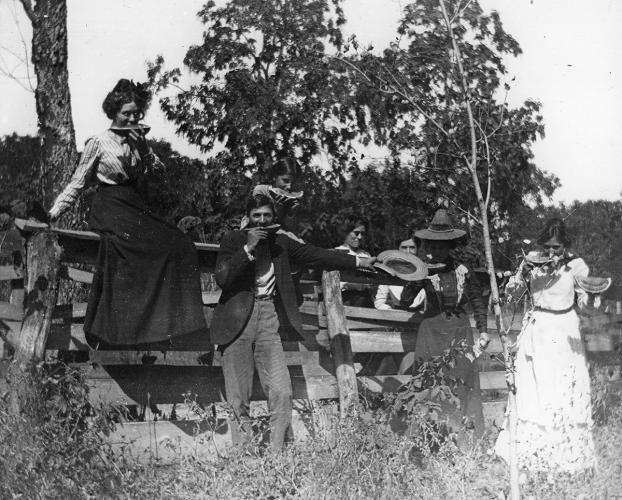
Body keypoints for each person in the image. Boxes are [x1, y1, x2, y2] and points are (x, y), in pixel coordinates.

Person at [48, 79, 207, 348]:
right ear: (113, 112)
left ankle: (172, 329)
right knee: (128, 249)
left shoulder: (140, 143)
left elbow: (160, 175)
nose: (132, 118)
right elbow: (77, 183)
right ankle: (124, 331)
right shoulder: (98, 142)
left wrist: (144, 149)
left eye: (136, 113)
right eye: (126, 113)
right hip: (109, 206)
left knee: (179, 244)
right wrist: (51, 215)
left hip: (135, 207)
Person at [212, 194, 375, 450]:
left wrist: (359, 261)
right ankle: (243, 457)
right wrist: (248, 248)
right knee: (237, 396)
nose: (262, 221)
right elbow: (223, 278)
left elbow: (318, 255)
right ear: (247, 218)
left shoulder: (282, 243)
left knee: (282, 390)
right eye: (257, 216)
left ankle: (277, 456)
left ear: (274, 218)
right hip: (236, 322)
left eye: (267, 216)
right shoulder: (233, 240)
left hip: (268, 317)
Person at [495, 218, 596, 473]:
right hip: (537, 328)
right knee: (533, 390)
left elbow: (584, 303)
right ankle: (530, 458)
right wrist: (522, 274)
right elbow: (512, 296)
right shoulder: (532, 261)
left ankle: (566, 461)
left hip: (563, 331)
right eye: (548, 246)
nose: (551, 252)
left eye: (557, 247)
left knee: (563, 389)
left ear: (566, 245)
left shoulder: (577, 266)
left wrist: (592, 297)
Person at [400, 209, 489, 434]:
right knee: (429, 381)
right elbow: (405, 301)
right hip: (431, 332)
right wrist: (415, 277)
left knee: (462, 379)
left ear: (450, 246)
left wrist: (483, 330)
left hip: (459, 331)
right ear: (427, 247)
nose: (437, 250)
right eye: (433, 246)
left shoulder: (463, 270)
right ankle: (428, 438)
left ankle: (464, 437)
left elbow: (478, 301)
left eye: (442, 246)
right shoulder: (423, 271)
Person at [374, 238, 425, 311]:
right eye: (404, 248)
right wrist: (394, 313)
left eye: (412, 247)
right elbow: (379, 303)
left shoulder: (424, 272)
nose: (408, 251)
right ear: (398, 249)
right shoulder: (389, 271)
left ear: (417, 249)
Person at [334, 218, 374, 307]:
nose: (359, 237)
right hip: (345, 299)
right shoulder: (337, 252)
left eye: (362, 234)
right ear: (346, 232)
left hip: (365, 298)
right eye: (356, 233)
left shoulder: (366, 254)